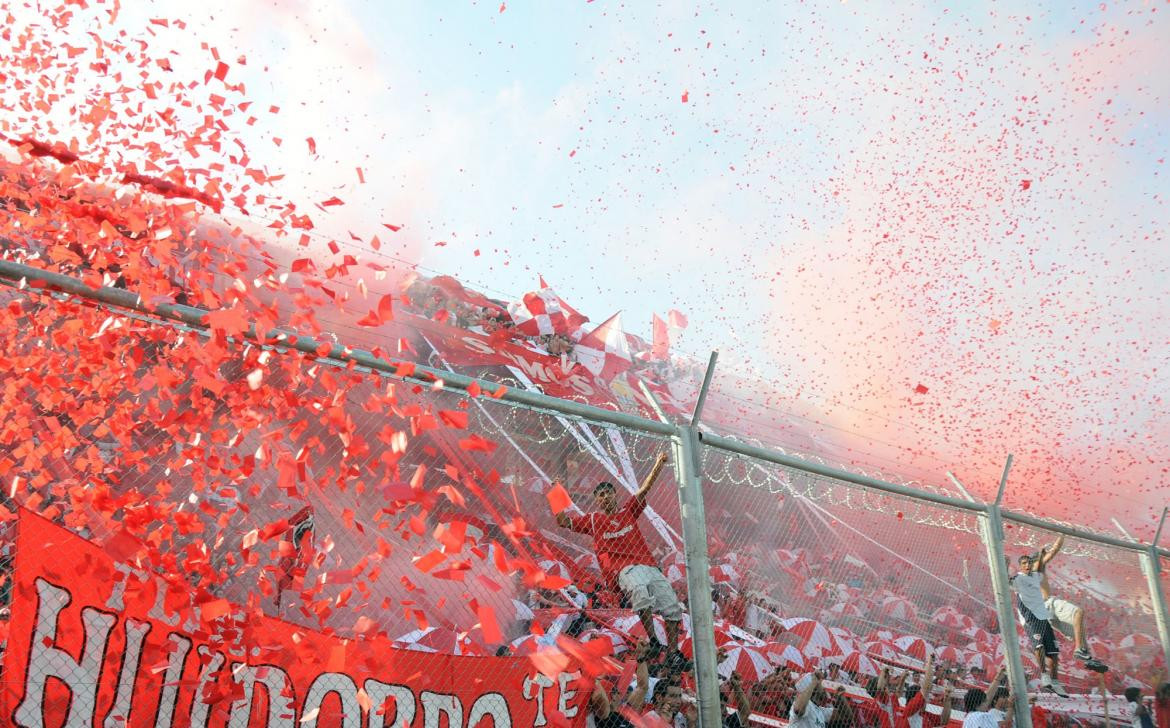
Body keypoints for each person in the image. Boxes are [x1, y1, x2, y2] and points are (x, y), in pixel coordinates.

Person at [557, 452, 686, 667]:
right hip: (623, 569)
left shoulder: (628, 511)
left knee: (672, 607)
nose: (605, 497)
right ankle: (654, 640)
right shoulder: (593, 520)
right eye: (600, 496)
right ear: (596, 501)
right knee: (639, 591)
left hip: (648, 565)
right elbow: (562, 522)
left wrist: (657, 463)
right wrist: (555, 492)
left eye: (608, 493)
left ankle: (672, 652)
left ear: (615, 495)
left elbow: (644, 490)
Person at [1025, 536, 1108, 673]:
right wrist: (1061, 535)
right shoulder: (1036, 568)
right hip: (1048, 605)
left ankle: (1086, 657)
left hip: (1044, 613)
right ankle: (1080, 650)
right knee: (1078, 613)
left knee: (1078, 633)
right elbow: (1054, 551)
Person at [1010, 554, 1067, 697]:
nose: (1027, 565)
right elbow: (1007, 582)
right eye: (1024, 563)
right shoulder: (1018, 579)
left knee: (1054, 653)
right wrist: (1005, 566)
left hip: (1043, 617)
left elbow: (1042, 568)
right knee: (1039, 645)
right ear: (1020, 565)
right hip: (1030, 618)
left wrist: (1041, 555)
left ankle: (1054, 682)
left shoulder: (1036, 576)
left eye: (1029, 563)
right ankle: (1044, 675)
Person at [898, 655, 954, 728]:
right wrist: (930, 663)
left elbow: (944, 720)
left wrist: (948, 698)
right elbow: (926, 688)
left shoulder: (924, 714)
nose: (926, 699)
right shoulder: (910, 710)